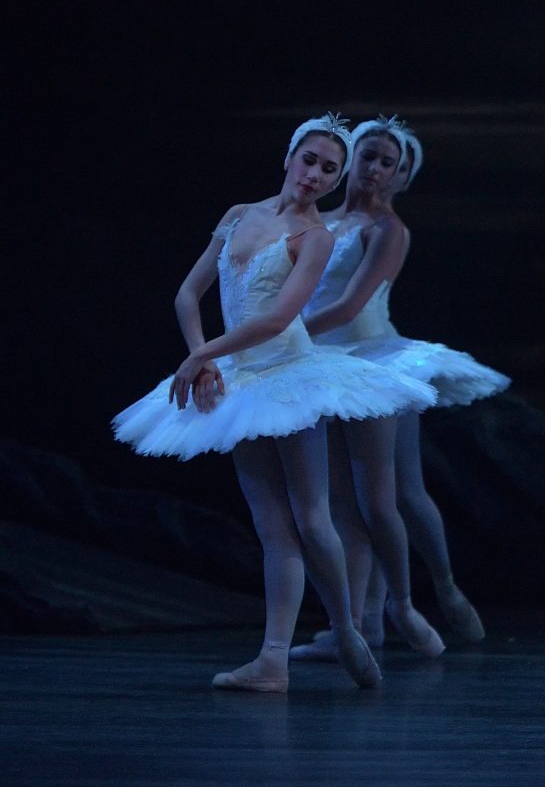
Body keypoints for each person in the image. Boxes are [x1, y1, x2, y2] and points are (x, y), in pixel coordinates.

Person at [112, 115, 437, 692]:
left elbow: (278, 318)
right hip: (240, 376)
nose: (315, 174)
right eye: (309, 160)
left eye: (330, 169)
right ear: (289, 158)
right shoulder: (240, 215)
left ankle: (348, 629)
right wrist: (202, 357)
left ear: (337, 181)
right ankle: (273, 659)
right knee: (272, 527)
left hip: (290, 374)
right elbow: (189, 293)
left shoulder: (317, 238)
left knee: (313, 514)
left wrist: (204, 354)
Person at [292, 117, 501, 662]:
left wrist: (277, 338)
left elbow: (347, 308)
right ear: (350, 159)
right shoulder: (322, 222)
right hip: (327, 362)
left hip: (374, 359)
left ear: (402, 177)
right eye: (368, 156)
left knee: (390, 497)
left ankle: (432, 593)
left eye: (389, 162)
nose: (376, 169)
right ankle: (361, 625)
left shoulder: (388, 231)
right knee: (345, 505)